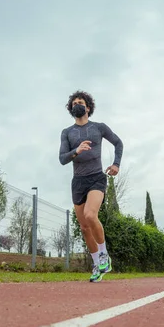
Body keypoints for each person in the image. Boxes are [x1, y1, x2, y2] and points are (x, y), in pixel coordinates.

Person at [59, 90, 123, 282]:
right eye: (74, 103)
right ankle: (97, 264)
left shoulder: (99, 127)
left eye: (81, 102)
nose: (77, 105)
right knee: (85, 227)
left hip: (96, 177)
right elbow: (62, 159)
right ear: (71, 108)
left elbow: (118, 143)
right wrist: (76, 151)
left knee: (90, 215)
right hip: (78, 182)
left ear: (88, 107)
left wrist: (116, 164)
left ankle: (104, 255)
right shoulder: (67, 132)